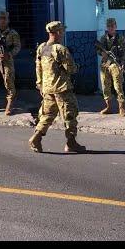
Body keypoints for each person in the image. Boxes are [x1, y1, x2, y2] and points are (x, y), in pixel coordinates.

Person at [28, 21, 86, 154]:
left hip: (47, 89)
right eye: (62, 31)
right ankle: (71, 143)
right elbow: (70, 69)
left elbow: (38, 68)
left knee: (47, 115)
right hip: (62, 89)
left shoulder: (42, 47)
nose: (63, 33)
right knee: (69, 115)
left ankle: (36, 138)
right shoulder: (60, 49)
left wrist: (40, 84)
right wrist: (77, 67)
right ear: (58, 32)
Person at [96, 17, 125, 116]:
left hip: (115, 64)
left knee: (118, 86)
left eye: (112, 26)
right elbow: (98, 50)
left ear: (116, 26)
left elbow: (124, 52)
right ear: (107, 27)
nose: (111, 28)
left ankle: (121, 108)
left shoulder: (120, 38)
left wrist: (122, 63)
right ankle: (108, 107)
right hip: (105, 64)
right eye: (109, 26)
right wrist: (103, 53)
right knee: (105, 86)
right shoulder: (103, 38)